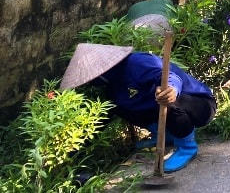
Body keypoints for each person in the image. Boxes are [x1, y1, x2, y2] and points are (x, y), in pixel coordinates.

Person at [60, 43, 216, 173]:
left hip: (200, 105)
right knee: (119, 105)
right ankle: (165, 134)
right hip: (169, 111)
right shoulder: (112, 85)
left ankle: (187, 147)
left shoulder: (137, 62)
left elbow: (168, 77)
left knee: (167, 100)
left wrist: (171, 89)